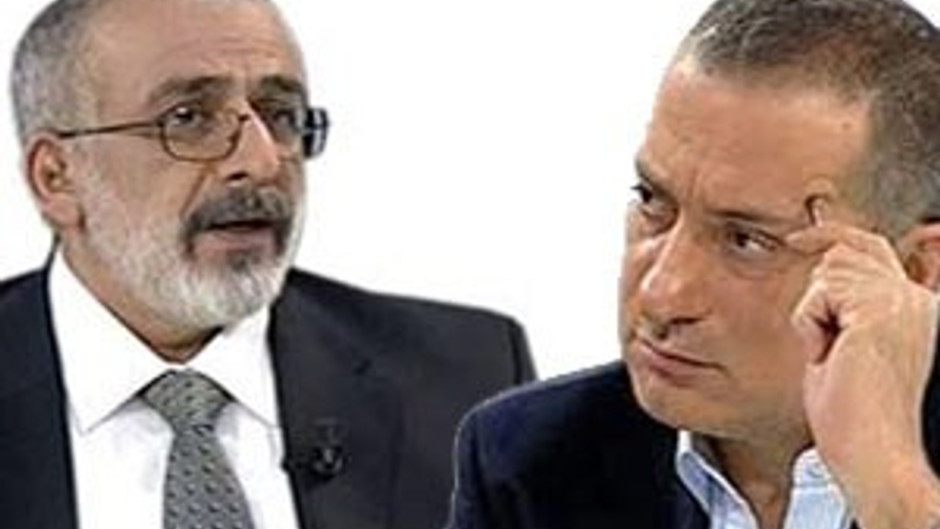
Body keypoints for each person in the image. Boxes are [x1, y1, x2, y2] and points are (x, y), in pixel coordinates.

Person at [0, 0, 535, 528]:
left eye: (280, 116)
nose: (261, 161)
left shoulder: (465, 381)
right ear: (57, 177)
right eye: (188, 119)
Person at [446, 1, 940, 528]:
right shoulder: (531, 463)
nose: (661, 295)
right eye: (652, 201)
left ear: (914, 271)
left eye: (747, 240)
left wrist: (893, 490)